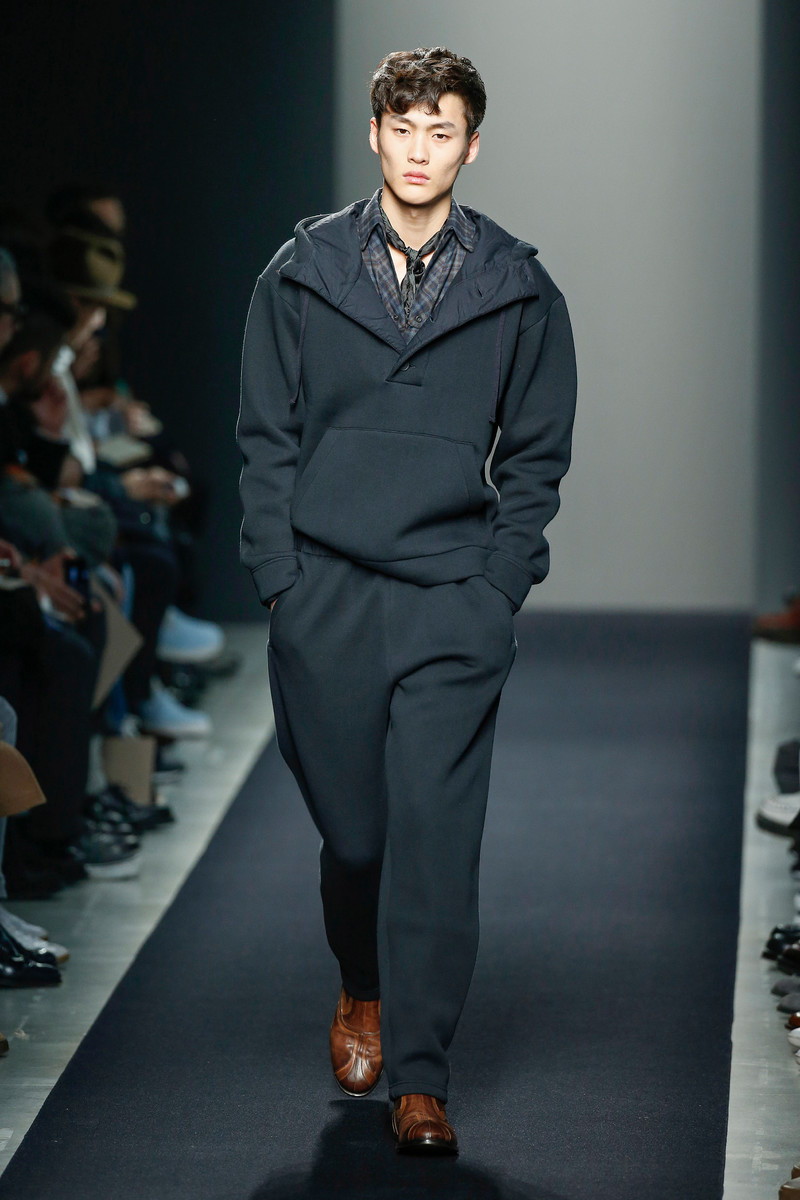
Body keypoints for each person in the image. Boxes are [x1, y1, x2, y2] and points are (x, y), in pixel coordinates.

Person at [238, 46, 577, 1155]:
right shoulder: (301, 273)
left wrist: (498, 583)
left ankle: (421, 1080)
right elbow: (265, 436)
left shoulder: (516, 288)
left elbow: (536, 453)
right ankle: (362, 979)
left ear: (471, 146)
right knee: (358, 837)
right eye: (403, 128)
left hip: (449, 595)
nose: (419, 150)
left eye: (442, 132)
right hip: (325, 590)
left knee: (435, 838)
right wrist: (280, 581)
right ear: (375, 134)